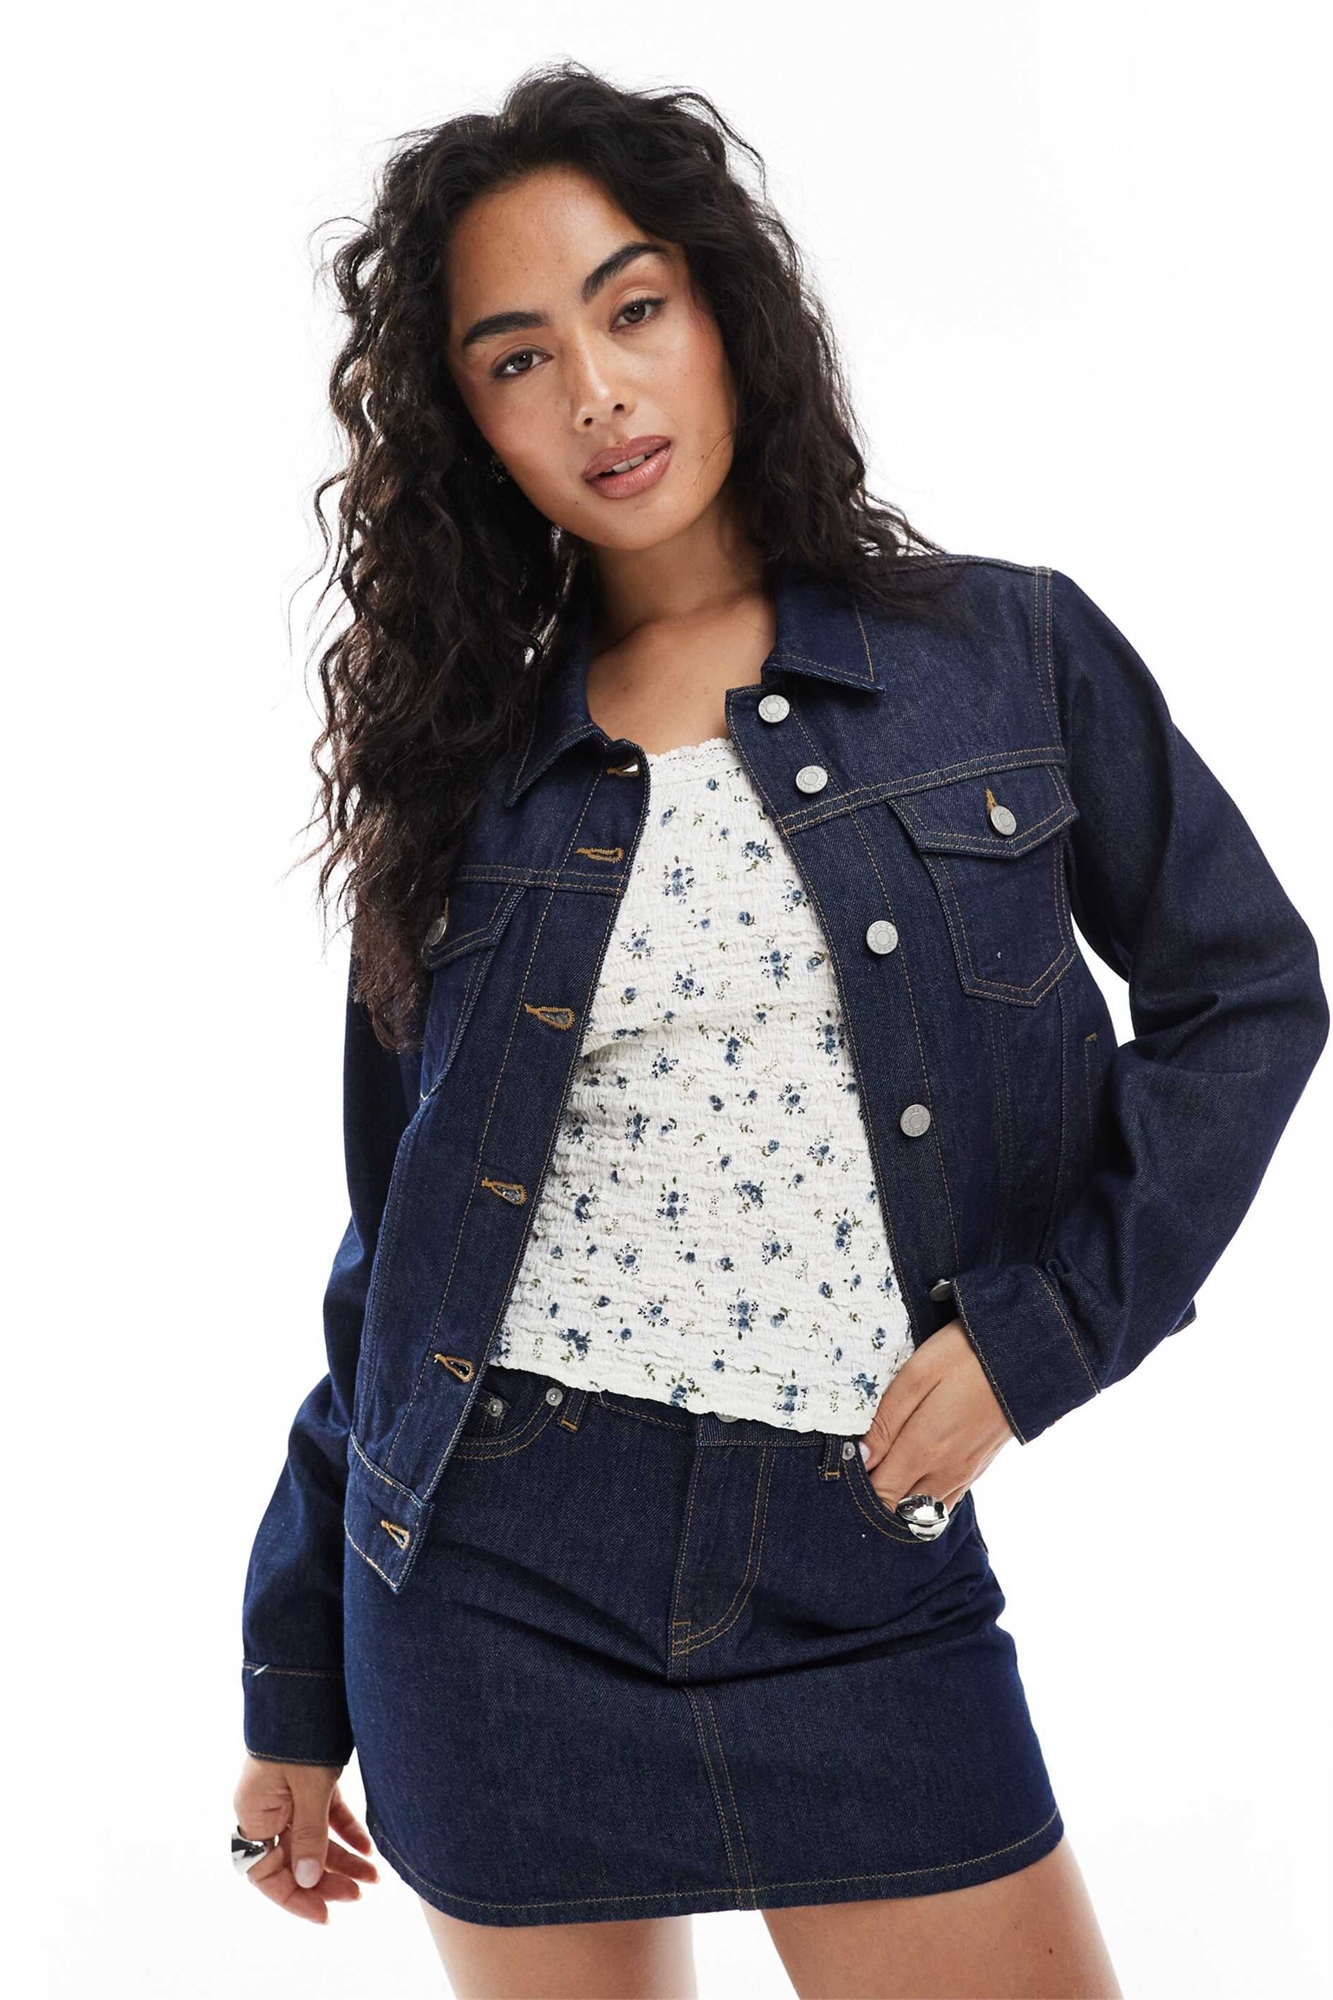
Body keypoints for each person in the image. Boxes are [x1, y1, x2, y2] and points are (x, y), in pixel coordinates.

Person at [230, 61, 1328, 2000]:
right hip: (488, 1585)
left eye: (631, 307)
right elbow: (392, 1258)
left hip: (861, 1563)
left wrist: (1044, 1337)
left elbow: (1244, 991)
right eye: (516, 357)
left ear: (723, 309)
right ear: (467, 421)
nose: (595, 392)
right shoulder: (463, 775)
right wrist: (291, 1680)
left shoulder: (1005, 651)